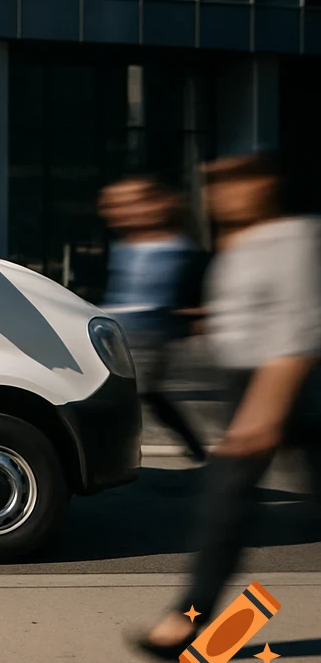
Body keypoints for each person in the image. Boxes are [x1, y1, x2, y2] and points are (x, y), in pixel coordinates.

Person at [133, 153, 321, 660]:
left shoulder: (295, 239)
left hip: (286, 385)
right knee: (228, 506)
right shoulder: (237, 245)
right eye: (214, 184)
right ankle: (187, 622)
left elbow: (299, 332)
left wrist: (262, 415)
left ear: (267, 186)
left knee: (224, 504)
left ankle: (185, 623)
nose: (221, 194)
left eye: (236, 182)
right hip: (249, 387)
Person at [97, 176, 210, 463]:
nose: (119, 212)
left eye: (130, 204)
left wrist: (190, 317)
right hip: (116, 327)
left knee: (129, 392)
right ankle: (191, 444)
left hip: (151, 331)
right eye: (114, 205)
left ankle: (111, 452)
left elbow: (193, 293)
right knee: (145, 394)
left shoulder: (179, 249)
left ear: (157, 206)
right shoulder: (124, 247)